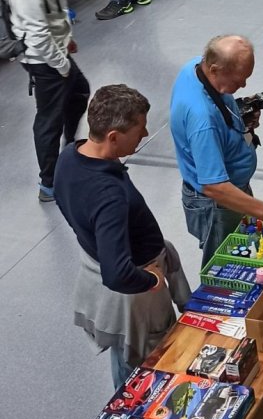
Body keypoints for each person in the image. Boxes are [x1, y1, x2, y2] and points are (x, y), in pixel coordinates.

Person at [53, 84, 190, 390]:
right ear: (113, 136)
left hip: (105, 266)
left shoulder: (70, 156)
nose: (145, 134)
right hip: (138, 300)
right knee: (145, 364)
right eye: (139, 129)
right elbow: (117, 274)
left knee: (126, 356)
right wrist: (151, 280)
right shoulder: (108, 196)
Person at [170, 35, 263, 264]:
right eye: (239, 80)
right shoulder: (202, 119)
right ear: (214, 69)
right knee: (224, 266)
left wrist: (239, 120)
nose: (243, 85)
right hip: (216, 203)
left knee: (244, 252)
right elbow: (214, 186)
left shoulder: (196, 67)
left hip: (231, 191)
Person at [0, 0, 90, 204]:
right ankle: (49, 183)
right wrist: (62, 65)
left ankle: (68, 147)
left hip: (55, 51)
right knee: (49, 120)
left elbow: (49, 14)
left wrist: (66, 38)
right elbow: (37, 34)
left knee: (79, 92)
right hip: (45, 61)